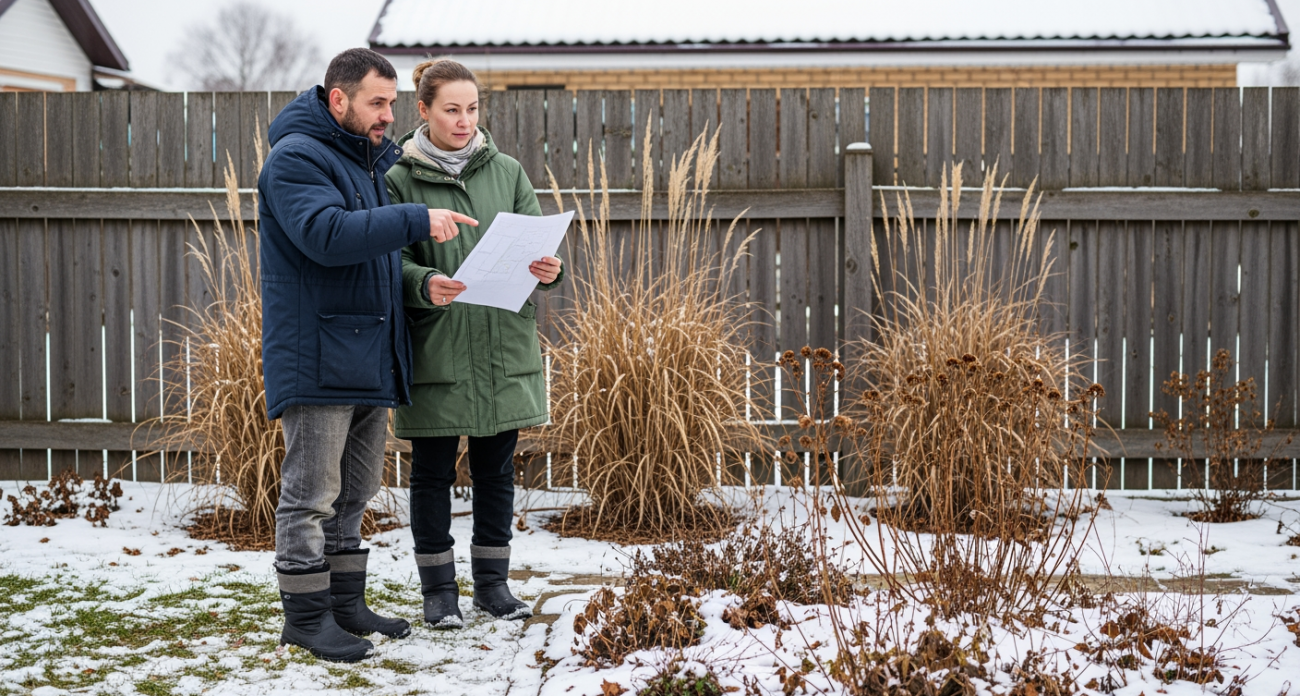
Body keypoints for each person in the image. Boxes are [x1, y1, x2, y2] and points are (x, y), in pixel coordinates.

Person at [258, 48, 477, 662]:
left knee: (355, 491)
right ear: (338, 100)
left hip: (364, 348)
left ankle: (345, 604)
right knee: (310, 495)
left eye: (391, 102)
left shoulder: (364, 159)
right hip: (318, 353)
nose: (388, 115)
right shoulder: (296, 157)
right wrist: (415, 218)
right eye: (376, 103)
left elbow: (372, 252)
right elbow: (325, 237)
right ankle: (305, 618)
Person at [385, 58, 564, 628]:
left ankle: (493, 586)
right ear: (424, 111)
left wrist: (548, 267)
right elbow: (390, 261)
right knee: (432, 474)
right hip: (439, 344)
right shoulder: (397, 179)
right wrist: (423, 283)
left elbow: (541, 247)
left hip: (502, 345)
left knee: (497, 471)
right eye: (451, 110)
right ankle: (439, 594)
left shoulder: (507, 170)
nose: (464, 121)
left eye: (473, 109)